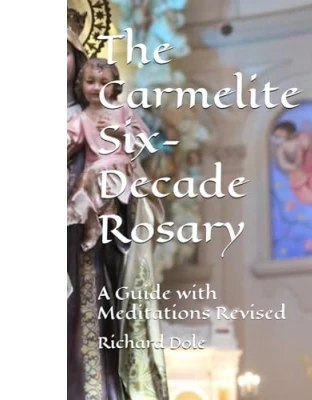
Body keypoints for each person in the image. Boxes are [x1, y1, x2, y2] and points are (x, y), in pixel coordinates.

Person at [67, 27, 169, 400]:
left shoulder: (105, 114)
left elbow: (137, 168)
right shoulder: (77, 122)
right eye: (91, 82)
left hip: (90, 244)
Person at [67, 58, 149, 251]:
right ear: (81, 85)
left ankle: (118, 226)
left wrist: (121, 131)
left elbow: (142, 137)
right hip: (95, 171)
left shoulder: (122, 110)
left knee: (109, 186)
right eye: (90, 82)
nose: (97, 88)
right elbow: (70, 136)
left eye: (104, 83)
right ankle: (92, 224)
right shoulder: (83, 117)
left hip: (122, 168)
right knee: (88, 183)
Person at [271, 121, 312, 208]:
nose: (279, 135)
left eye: (281, 132)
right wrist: (294, 167)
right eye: (277, 135)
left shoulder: (301, 137)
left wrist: (309, 144)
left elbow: (309, 143)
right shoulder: (281, 148)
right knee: (306, 191)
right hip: (299, 172)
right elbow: (283, 163)